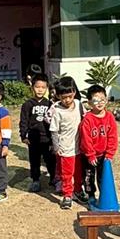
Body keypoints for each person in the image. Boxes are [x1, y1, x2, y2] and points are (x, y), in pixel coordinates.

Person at [47, 75, 86, 210]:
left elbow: (86, 118)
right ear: (58, 96)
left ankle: (78, 190)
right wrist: (56, 146)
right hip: (65, 149)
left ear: (74, 92)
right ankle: (67, 195)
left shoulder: (79, 105)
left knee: (79, 172)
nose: (67, 100)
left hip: (79, 147)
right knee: (67, 174)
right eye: (64, 97)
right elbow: (54, 130)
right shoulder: (57, 111)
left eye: (70, 96)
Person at [80, 85, 119, 201]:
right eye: (96, 100)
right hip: (89, 156)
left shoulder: (109, 117)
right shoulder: (87, 119)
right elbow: (86, 139)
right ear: (89, 103)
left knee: (104, 177)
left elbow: (113, 136)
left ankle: (104, 197)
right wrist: (90, 155)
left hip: (104, 155)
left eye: (102, 99)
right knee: (89, 177)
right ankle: (91, 195)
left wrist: (110, 153)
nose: (100, 103)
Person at [19, 73, 56, 193]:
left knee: (50, 160)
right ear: (32, 87)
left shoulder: (50, 104)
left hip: (47, 138)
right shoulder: (27, 104)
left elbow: (54, 122)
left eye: (43, 87)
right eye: (37, 87)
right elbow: (23, 121)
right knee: (34, 160)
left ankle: (54, 178)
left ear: (47, 88)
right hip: (33, 138)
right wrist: (23, 135)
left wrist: (53, 138)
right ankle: (35, 180)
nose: (40, 90)